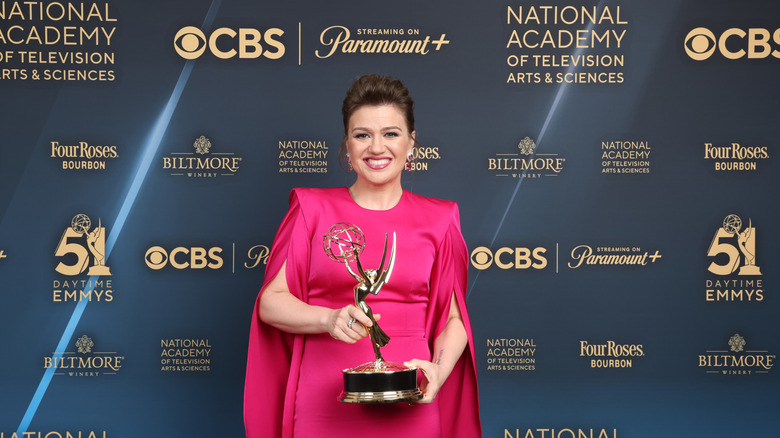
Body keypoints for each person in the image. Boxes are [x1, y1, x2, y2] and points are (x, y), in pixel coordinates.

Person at [244, 74, 481, 438]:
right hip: (323, 403)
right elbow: (270, 304)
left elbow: (453, 320)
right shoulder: (311, 208)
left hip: (409, 398)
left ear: (411, 143)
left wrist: (438, 370)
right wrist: (328, 318)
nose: (376, 147)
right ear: (347, 146)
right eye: (362, 135)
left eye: (390, 133)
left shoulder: (442, 217)